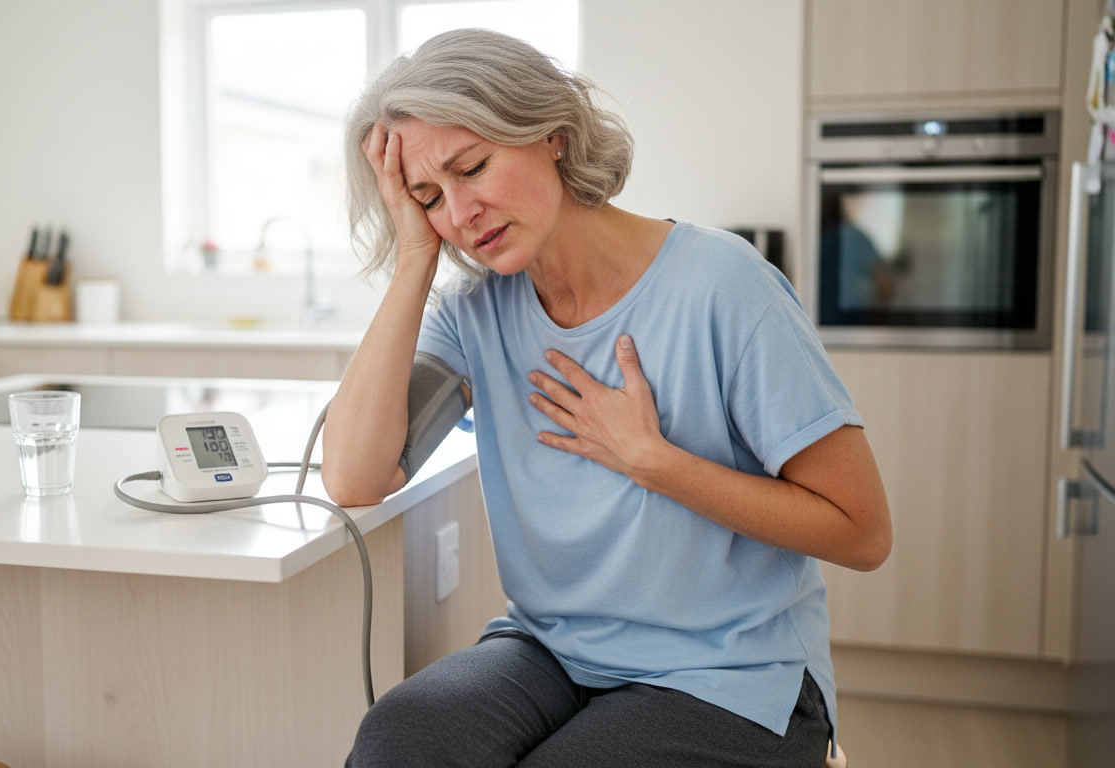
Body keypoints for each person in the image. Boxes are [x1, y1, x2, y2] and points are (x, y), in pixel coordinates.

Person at [321, 28, 892, 768]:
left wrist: (655, 461)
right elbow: (355, 477)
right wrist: (412, 260)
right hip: (553, 653)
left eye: (474, 167)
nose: (460, 213)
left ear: (552, 135)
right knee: (400, 739)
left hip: (732, 674)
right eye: (430, 196)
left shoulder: (723, 285)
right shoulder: (475, 312)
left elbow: (863, 533)